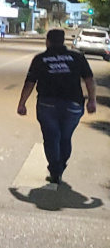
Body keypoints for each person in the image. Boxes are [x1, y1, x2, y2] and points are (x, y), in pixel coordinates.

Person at [16, 29, 97, 185]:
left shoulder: (41, 59)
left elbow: (29, 83)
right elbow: (89, 79)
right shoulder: (77, 57)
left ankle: (55, 170)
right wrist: (92, 100)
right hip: (73, 105)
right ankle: (61, 166)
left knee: (51, 137)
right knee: (65, 137)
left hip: (47, 104)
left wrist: (22, 103)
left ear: (48, 41)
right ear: (63, 41)